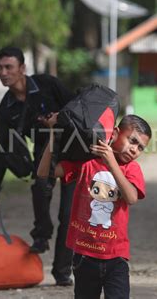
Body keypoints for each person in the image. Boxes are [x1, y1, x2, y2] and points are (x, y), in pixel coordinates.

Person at [0, 46, 76, 286]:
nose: (3, 73)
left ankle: (62, 271)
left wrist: (59, 120)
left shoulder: (47, 85)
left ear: (22, 68)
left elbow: (77, 109)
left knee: (68, 214)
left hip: (73, 151)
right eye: (0, 68)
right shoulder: (7, 108)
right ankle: (42, 236)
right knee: (39, 185)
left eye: (8, 67)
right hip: (44, 154)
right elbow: (1, 150)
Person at [37, 114, 151, 299]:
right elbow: (44, 172)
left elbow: (131, 197)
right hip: (84, 256)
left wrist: (111, 162)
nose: (134, 150)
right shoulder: (86, 161)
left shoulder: (131, 169)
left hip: (116, 257)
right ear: (115, 133)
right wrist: (53, 133)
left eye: (140, 148)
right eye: (132, 141)